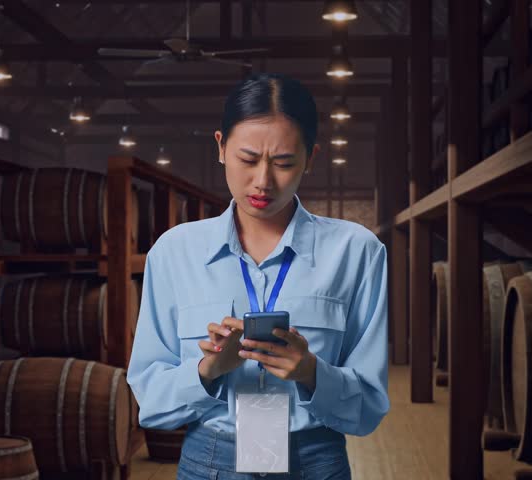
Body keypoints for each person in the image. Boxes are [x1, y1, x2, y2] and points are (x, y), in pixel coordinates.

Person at [127, 72, 389, 479]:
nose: (263, 181)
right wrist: (207, 371)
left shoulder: (357, 252)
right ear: (221, 147)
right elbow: (151, 402)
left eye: (284, 163)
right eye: (248, 160)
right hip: (209, 463)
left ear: (311, 158)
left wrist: (311, 373)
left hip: (316, 462)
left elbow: (369, 407)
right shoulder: (174, 252)